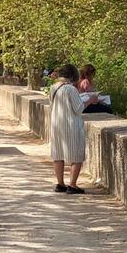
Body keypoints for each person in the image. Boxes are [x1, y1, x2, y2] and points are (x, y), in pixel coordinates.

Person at [49, 64, 87, 194]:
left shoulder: (53, 88)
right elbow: (79, 109)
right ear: (72, 76)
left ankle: (60, 183)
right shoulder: (71, 89)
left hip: (56, 125)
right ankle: (72, 184)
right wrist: (90, 100)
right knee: (77, 155)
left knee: (58, 155)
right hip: (71, 125)